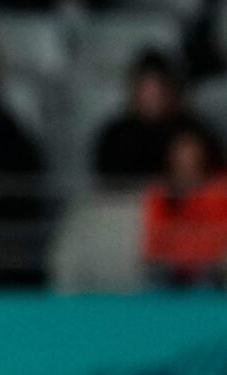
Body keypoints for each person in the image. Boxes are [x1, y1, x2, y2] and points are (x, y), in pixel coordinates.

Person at [93, 49, 210, 186]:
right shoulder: (114, 137)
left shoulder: (193, 133)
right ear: (133, 89)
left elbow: (215, 184)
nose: (155, 94)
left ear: (174, 89)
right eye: (147, 87)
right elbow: (104, 187)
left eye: (161, 85)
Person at [143, 128, 227, 288]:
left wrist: (190, 244)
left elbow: (220, 235)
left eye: (192, 153)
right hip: (169, 266)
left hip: (209, 266)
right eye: (182, 153)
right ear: (171, 157)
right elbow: (155, 237)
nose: (187, 159)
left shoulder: (220, 190)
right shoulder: (160, 192)